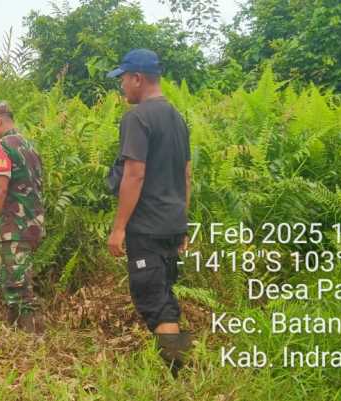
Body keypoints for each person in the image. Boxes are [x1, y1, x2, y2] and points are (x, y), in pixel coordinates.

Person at [105, 49, 193, 376]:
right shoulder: (177, 117)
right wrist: (182, 223)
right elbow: (186, 174)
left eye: (124, 79)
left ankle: (178, 374)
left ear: (138, 78)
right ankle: (178, 365)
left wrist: (118, 228)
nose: (122, 87)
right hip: (172, 223)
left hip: (148, 227)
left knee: (153, 299)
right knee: (164, 293)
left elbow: (134, 173)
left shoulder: (137, 117)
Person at [0, 101, 46, 333]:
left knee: (18, 287)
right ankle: (15, 334)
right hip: (33, 224)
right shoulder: (28, 144)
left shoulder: (1, 146)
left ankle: (34, 340)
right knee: (13, 279)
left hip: (14, 225)